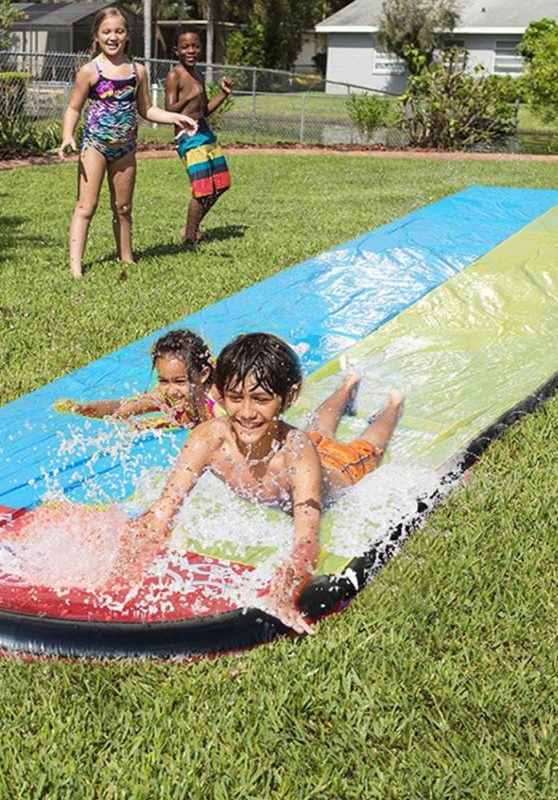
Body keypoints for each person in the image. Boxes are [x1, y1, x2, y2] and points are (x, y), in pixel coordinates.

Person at [115, 333, 404, 635]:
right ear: (221, 393)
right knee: (318, 428)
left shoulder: (296, 456)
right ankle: (348, 385)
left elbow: (306, 542)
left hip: (337, 469)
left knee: (368, 449)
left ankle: (394, 404)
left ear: (288, 398)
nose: (247, 413)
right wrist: (122, 574)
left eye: (262, 400)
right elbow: (163, 510)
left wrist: (282, 593)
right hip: (297, 443)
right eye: (236, 398)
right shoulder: (209, 438)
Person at [60, 7, 198, 278]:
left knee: (123, 208)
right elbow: (74, 108)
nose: (113, 37)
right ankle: (76, 266)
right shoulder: (90, 71)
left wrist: (175, 117)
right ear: (97, 36)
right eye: (107, 32)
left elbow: (147, 109)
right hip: (95, 147)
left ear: (127, 35)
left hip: (125, 149)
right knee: (86, 207)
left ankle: (127, 257)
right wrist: (67, 135)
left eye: (119, 31)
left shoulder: (137, 71)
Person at [55, 329, 225, 428]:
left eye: (180, 381)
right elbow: (121, 409)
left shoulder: (221, 395)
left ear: (203, 375)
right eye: (164, 381)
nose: (171, 390)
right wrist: (83, 408)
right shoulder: (164, 397)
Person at [164, 27, 234, 245]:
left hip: (204, 131)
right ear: (177, 50)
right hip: (188, 135)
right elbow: (168, 110)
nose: (191, 50)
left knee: (221, 183)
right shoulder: (175, 75)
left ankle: (190, 228)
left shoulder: (198, 73)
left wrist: (223, 93)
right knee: (202, 188)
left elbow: (203, 111)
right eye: (185, 47)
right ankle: (190, 238)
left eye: (195, 46)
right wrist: (187, 98)